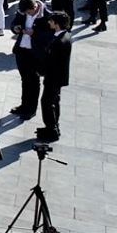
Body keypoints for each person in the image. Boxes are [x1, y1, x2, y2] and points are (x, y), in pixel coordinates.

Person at [10, 0, 52, 119]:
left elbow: (50, 36)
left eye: (28, 12)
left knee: (33, 82)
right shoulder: (22, 11)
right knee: (24, 79)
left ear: (34, 8)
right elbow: (14, 22)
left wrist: (35, 33)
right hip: (21, 51)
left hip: (34, 53)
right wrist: (15, 28)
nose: (26, 15)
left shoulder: (47, 16)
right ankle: (24, 105)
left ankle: (31, 109)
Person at [38, 11, 73, 142]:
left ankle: (51, 129)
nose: (49, 22)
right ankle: (53, 125)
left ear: (56, 24)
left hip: (54, 77)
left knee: (46, 102)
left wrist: (41, 70)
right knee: (54, 101)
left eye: (51, 21)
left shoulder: (59, 42)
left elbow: (52, 61)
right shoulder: (65, 35)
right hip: (58, 77)